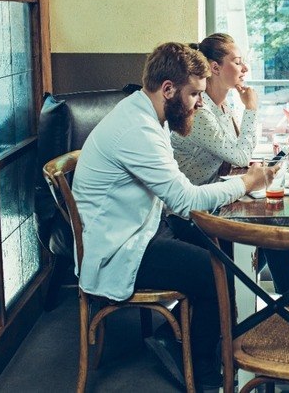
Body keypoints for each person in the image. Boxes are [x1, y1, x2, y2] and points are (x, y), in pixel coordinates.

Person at [72, 42, 273, 390]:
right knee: (217, 273)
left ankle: (188, 342)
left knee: (228, 249)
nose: (199, 102)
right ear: (168, 89)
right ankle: (198, 368)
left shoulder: (146, 114)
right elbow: (185, 199)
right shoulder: (139, 129)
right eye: (195, 93)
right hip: (120, 249)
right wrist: (247, 182)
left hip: (143, 229)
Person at [170, 33, 289, 302]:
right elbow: (240, 156)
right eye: (238, 62)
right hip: (187, 217)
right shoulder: (200, 111)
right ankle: (287, 309)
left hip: (211, 204)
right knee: (270, 235)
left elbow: (235, 155)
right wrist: (252, 109)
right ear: (215, 68)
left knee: (272, 232)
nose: (245, 69)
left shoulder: (223, 105)